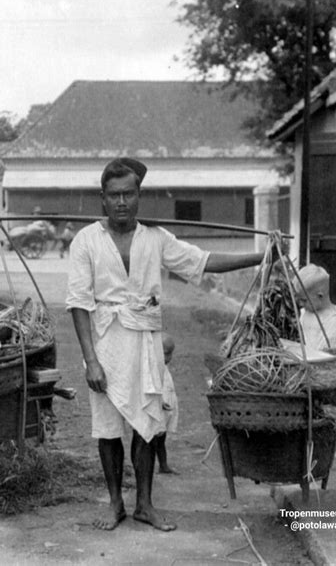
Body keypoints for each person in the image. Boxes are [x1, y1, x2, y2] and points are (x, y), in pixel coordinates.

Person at [65, 157, 278, 532]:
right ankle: (115, 503)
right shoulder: (86, 241)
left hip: (145, 341)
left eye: (128, 194)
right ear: (103, 198)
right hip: (104, 341)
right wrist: (91, 361)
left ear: (138, 196)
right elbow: (79, 304)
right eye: (113, 195)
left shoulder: (156, 239)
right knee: (108, 427)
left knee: (147, 423)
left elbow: (205, 261)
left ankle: (145, 504)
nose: (121, 202)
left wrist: (261, 256)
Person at [293, 263, 336, 351]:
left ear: (320, 296)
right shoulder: (303, 314)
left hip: (334, 363)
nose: (301, 304)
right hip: (310, 363)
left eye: (304, 300)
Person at [154, 333, 178, 475]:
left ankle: (163, 465)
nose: (168, 358)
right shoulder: (153, 368)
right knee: (152, 440)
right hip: (156, 408)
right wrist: (159, 401)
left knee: (161, 439)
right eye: (165, 354)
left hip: (165, 409)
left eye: (171, 354)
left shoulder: (164, 368)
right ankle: (148, 465)